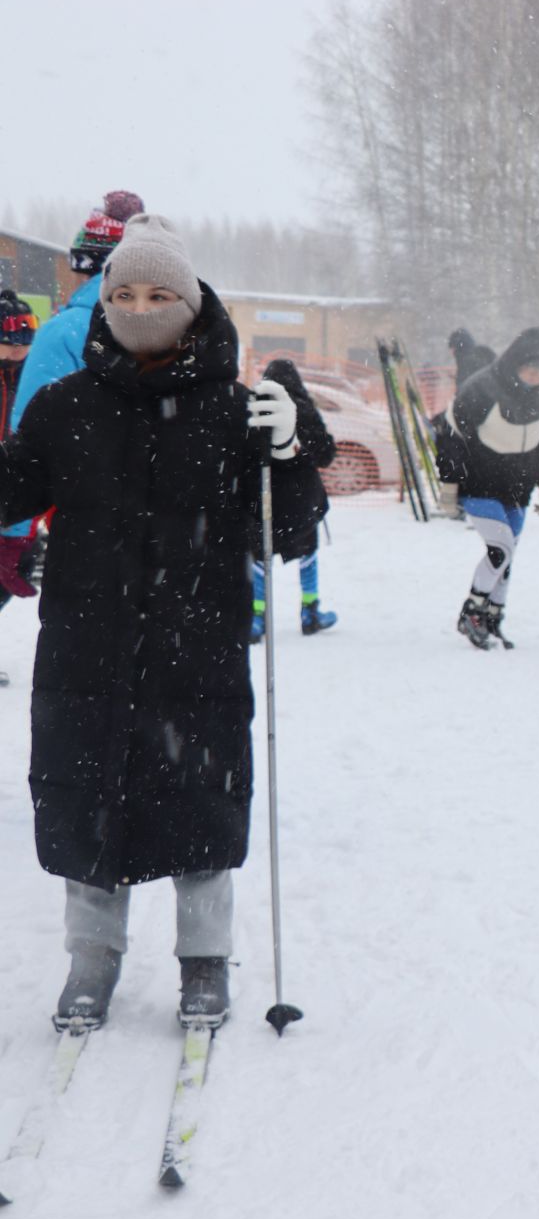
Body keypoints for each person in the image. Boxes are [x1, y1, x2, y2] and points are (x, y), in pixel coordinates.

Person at [0, 215, 325, 1028]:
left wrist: (291, 451)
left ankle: (205, 960)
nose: (142, 307)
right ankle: (90, 961)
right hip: (88, 646)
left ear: (191, 301)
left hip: (198, 646)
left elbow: (288, 534)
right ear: (103, 303)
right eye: (125, 294)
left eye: (160, 293)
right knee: (89, 804)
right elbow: (8, 491)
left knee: (198, 805)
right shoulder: (66, 406)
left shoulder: (232, 411)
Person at [6, 191, 147, 575]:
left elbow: (27, 442)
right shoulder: (175, 331)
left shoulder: (63, 333)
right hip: (171, 539)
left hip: (86, 531)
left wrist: (13, 535)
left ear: (87, 268)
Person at [443, 328, 539, 649]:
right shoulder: (481, 388)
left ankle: (494, 616)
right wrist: (449, 486)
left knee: (507, 556)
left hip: (518, 490)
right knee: (501, 549)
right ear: (515, 361)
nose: (536, 377)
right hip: (480, 484)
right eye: (531, 369)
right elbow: (451, 437)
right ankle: (472, 612)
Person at [249, 359, 340, 639]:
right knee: (307, 552)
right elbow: (326, 454)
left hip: (263, 498)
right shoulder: (304, 408)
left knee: (260, 556)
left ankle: (257, 615)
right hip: (302, 497)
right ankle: (310, 610)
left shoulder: (253, 409)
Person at [0, 290, 40, 601]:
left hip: (15, 491)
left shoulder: (34, 374)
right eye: (10, 340)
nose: (19, 348)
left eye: (25, 339)